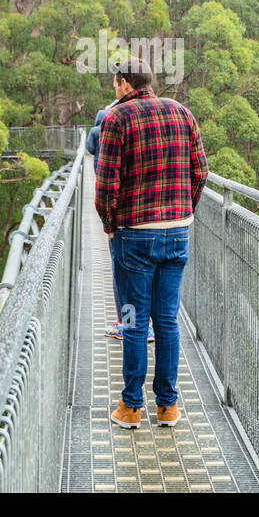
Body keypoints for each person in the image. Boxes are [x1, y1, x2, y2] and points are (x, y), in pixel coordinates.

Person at [94, 54, 208, 429]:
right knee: (167, 322)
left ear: (125, 83)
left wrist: (110, 225)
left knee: (132, 321)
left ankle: (130, 408)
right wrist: (182, 211)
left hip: (134, 237)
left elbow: (106, 185)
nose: (114, 89)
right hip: (177, 234)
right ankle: (168, 407)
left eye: (115, 83)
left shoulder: (115, 118)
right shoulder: (181, 113)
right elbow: (200, 171)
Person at [87, 100, 152, 343]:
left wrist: (109, 224)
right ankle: (147, 326)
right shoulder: (133, 133)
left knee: (123, 277)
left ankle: (129, 325)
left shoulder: (100, 136)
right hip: (152, 217)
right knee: (148, 278)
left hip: (123, 221)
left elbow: (104, 184)